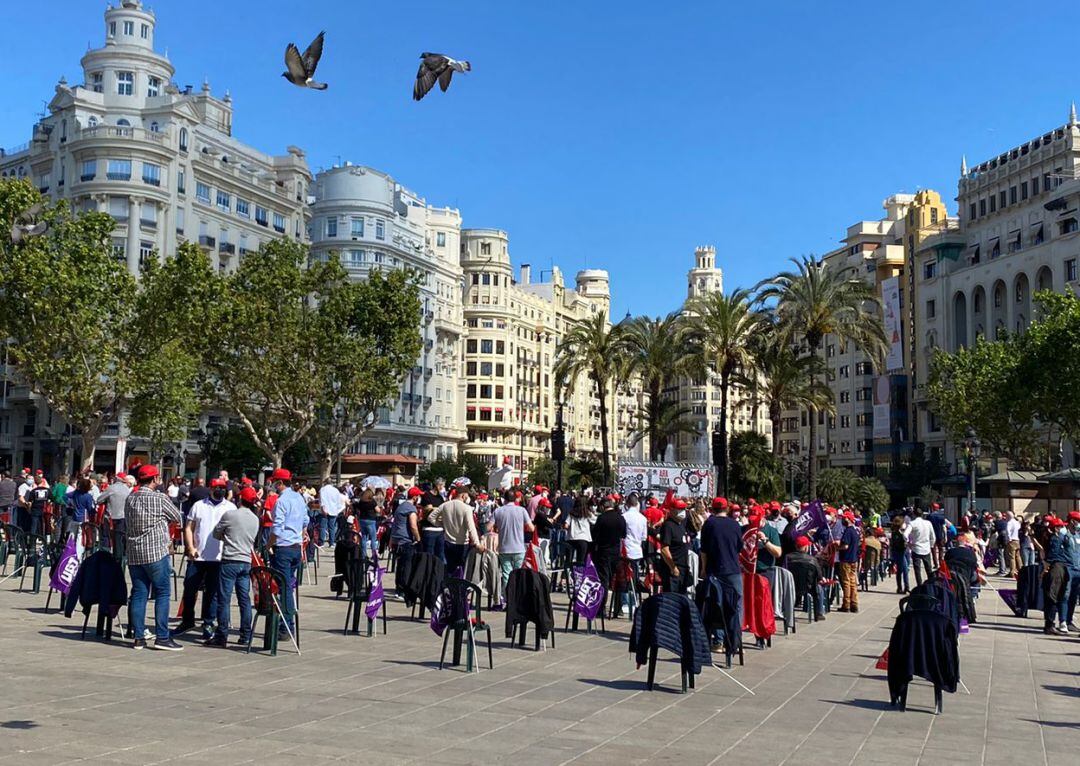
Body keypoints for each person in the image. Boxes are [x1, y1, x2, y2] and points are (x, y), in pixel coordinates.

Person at [124, 465, 183, 651]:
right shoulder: (159, 498)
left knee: (139, 593)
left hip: (134, 553)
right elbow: (177, 517)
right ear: (155, 479)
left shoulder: (130, 497)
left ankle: (139, 637)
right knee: (163, 593)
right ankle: (162, 637)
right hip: (156, 551)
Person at [173, 478, 233, 640]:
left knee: (212, 592)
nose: (220, 490)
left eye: (222, 488)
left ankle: (208, 621)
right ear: (210, 489)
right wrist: (190, 547)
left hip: (219, 556)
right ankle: (187, 620)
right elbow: (188, 528)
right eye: (217, 488)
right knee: (190, 589)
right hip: (197, 556)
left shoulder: (230, 507)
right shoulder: (199, 506)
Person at [207, 486, 260, 647]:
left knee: (224, 599)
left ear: (239, 499)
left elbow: (216, 533)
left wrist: (227, 537)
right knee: (244, 599)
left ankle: (222, 635)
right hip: (245, 561)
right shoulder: (255, 519)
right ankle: (245, 634)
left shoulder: (230, 515)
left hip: (230, 559)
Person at [699, 497, 745, 646]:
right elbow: (739, 547)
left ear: (713, 509)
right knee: (736, 606)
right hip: (733, 569)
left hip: (714, 570)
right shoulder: (735, 525)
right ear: (727, 509)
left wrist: (703, 569)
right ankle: (734, 641)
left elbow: (704, 550)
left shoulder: (708, 524)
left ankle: (718, 641)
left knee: (716, 605)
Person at [269, 468, 306, 637]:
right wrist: (301, 533)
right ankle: (286, 622)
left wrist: (268, 544)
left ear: (280, 483)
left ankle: (287, 626)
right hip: (296, 547)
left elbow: (277, 527)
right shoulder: (299, 497)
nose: (273, 485)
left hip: (283, 547)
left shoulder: (281, 501)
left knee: (284, 588)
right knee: (288, 585)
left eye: (274, 482)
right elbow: (306, 520)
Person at [433, 489, 483, 572]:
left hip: (448, 541)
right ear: (463, 496)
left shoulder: (445, 505)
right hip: (462, 543)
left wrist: (442, 524)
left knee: (450, 568)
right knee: (463, 569)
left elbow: (431, 517)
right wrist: (477, 543)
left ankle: (449, 584)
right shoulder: (466, 508)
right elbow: (471, 527)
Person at [493, 492, 533, 592]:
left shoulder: (498, 511)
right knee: (519, 574)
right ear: (515, 499)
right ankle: (518, 598)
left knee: (507, 574)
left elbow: (488, 527)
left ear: (504, 499)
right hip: (519, 547)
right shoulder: (522, 510)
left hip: (504, 548)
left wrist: (497, 527)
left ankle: (508, 598)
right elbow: (531, 528)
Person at [591, 499, 626, 611]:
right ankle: (617, 607)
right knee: (616, 579)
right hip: (616, 552)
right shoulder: (620, 518)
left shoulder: (601, 518)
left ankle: (602, 607)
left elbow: (595, 534)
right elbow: (624, 534)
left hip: (603, 552)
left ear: (603, 507)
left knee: (603, 580)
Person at [1042, 516, 1073, 635]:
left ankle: (1049, 624)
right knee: (1053, 596)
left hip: (1060, 566)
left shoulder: (1056, 537)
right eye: (1061, 526)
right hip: (1057, 566)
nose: (1063, 528)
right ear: (1056, 528)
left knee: (1055, 596)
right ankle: (1049, 625)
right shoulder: (1055, 538)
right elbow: (1053, 554)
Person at [390, 487, 422, 598]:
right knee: (407, 566)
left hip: (397, 539)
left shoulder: (401, 506)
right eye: (418, 496)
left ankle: (398, 589)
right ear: (415, 497)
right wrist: (418, 539)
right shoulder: (411, 508)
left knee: (400, 566)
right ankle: (403, 590)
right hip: (406, 540)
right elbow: (413, 526)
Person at [787, 535, 826, 620]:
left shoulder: (787, 558)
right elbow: (819, 576)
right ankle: (819, 613)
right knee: (819, 588)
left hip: (791, 586)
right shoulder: (812, 559)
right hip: (809, 587)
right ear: (805, 547)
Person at [657, 499, 690, 594]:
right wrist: (673, 568)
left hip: (683, 568)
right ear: (671, 510)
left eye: (683, 509)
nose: (682, 512)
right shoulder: (668, 526)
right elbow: (664, 549)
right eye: (679, 509)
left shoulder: (681, 525)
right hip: (672, 569)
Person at [97, 473, 133, 554]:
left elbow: (99, 500)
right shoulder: (127, 490)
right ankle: (119, 560)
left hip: (110, 518)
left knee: (106, 538)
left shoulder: (111, 488)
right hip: (123, 517)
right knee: (119, 540)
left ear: (116, 479)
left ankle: (105, 557)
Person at [906, 506, 936, 587]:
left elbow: (905, 534)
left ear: (914, 514)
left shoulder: (912, 523)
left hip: (916, 548)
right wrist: (931, 545)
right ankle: (931, 585)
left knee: (917, 570)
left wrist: (909, 543)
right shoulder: (928, 523)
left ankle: (919, 586)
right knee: (929, 569)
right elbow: (933, 536)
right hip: (926, 548)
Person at [837, 512, 860, 613]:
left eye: (844, 518)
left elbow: (845, 546)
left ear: (848, 519)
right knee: (853, 582)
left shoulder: (848, 531)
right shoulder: (855, 531)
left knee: (846, 582)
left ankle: (846, 604)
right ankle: (854, 603)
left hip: (846, 559)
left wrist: (837, 548)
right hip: (853, 559)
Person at [351, 488, 381, 562]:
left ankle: (364, 555)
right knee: (373, 538)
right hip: (371, 520)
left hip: (362, 520)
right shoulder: (372, 502)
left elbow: (357, 508)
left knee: (364, 538)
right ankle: (374, 554)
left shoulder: (361, 501)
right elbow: (378, 510)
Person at [1064, 512, 1080, 632]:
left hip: (1078, 569)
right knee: (1065, 595)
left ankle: (1069, 621)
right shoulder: (1064, 534)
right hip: (1068, 568)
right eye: (1077, 521)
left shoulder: (1078, 535)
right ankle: (1063, 621)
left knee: (1074, 597)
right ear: (1072, 521)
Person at [318, 479, 346, 549]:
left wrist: (323, 508)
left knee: (323, 527)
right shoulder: (336, 490)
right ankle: (331, 542)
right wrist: (337, 510)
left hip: (325, 510)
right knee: (332, 528)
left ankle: (321, 542)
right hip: (333, 510)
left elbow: (322, 500)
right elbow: (338, 501)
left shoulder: (323, 489)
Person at [566, 496, 593, 568]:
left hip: (571, 538)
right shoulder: (587, 513)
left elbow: (566, 525)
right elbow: (595, 521)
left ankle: (564, 577)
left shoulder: (571, 513)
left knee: (568, 560)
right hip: (583, 539)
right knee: (581, 561)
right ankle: (579, 576)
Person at [890, 515, 910, 594]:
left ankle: (903, 587)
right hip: (900, 552)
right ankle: (904, 587)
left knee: (903, 570)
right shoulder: (896, 533)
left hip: (901, 552)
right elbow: (898, 544)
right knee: (903, 569)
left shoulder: (898, 532)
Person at [1003, 510, 1021, 578]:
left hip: (1012, 540)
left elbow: (1008, 531)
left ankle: (1012, 572)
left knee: (1011, 557)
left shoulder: (1009, 523)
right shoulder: (1017, 522)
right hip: (1017, 540)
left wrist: (1009, 539)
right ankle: (1021, 570)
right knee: (1018, 556)